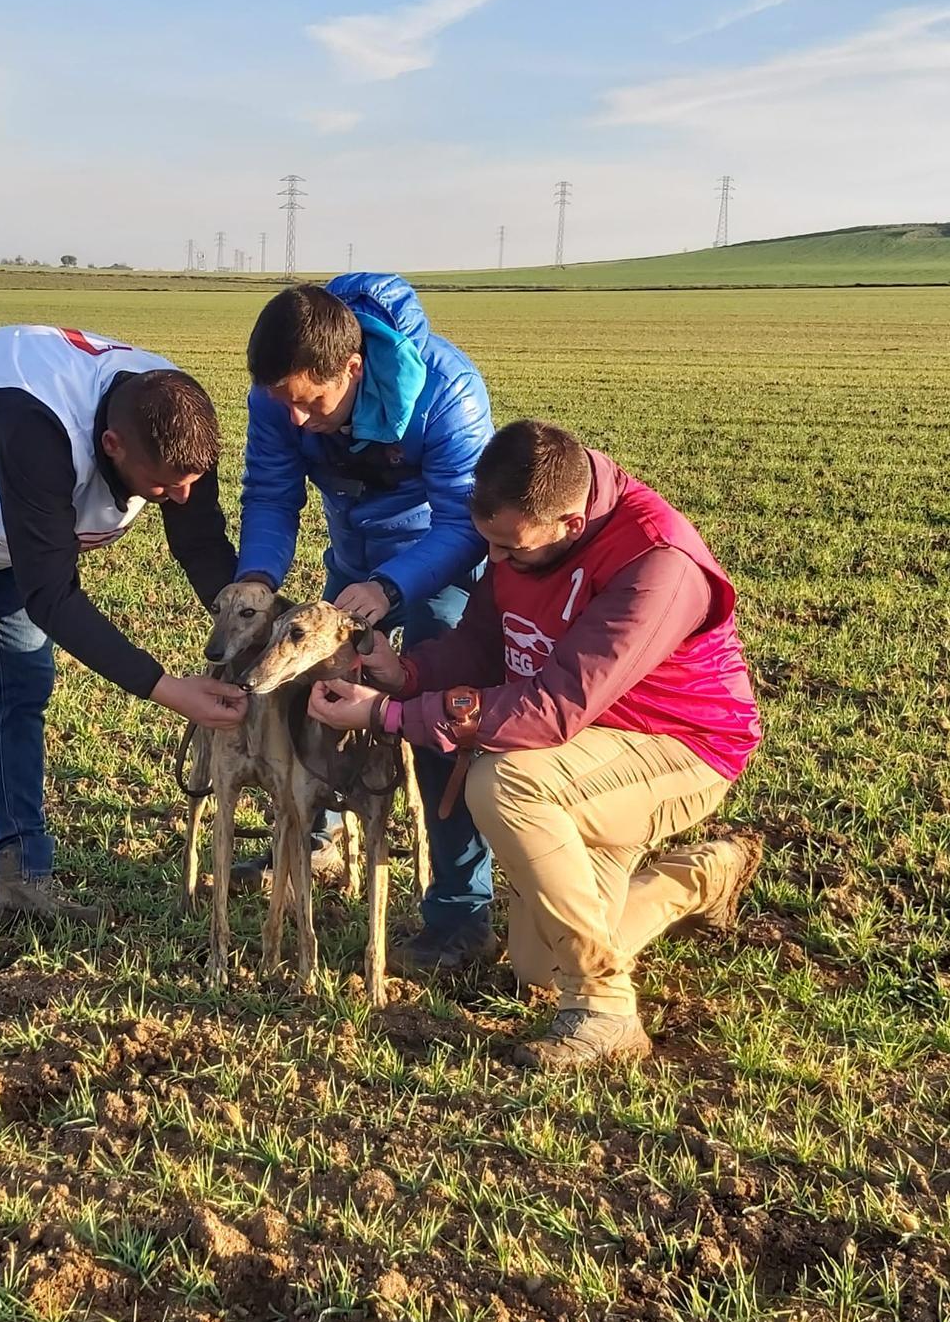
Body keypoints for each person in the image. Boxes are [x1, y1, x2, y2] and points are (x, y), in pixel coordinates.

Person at [307, 420, 763, 1069]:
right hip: (586, 753)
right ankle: (700, 877)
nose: (495, 562)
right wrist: (402, 675)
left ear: (570, 526)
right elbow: (480, 646)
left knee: (507, 780)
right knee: (541, 970)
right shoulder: (524, 532)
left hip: (678, 749)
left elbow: (549, 710)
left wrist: (388, 715)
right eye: (488, 544)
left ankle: (604, 1010)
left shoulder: (657, 566)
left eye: (510, 550)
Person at [0, 323, 247, 982]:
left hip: (16, 523)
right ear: (111, 444)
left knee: (23, 689)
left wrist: (263, 638)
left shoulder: (175, 418)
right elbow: (52, 597)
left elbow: (203, 547)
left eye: (192, 482)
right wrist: (164, 686)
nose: (180, 499)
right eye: (162, 489)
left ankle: (20, 878)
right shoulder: (36, 427)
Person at [234, 275, 495, 963]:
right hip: (354, 560)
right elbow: (269, 491)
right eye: (281, 402)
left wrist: (394, 586)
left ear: (353, 368)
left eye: (309, 403)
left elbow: (467, 521)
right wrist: (259, 577)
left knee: (437, 722)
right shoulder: (279, 398)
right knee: (320, 697)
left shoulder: (448, 391)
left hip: (437, 564)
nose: (295, 418)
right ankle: (315, 845)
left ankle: (460, 913)